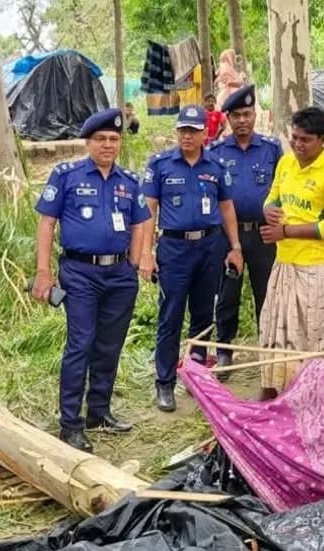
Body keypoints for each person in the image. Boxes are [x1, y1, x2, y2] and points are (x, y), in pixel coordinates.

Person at [33, 109, 148, 452]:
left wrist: (136, 261)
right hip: (80, 273)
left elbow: (142, 220)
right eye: (101, 139)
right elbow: (46, 223)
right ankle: (71, 422)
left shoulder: (128, 180)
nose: (108, 145)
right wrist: (43, 271)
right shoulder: (66, 175)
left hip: (119, 276)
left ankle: (99, 411)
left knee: (109, 345)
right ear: (89, 141)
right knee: (80, 344)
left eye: (114, 139)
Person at [141, 106, 244, 412]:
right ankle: (165, 382)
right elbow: (148, 210)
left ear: (205, 134)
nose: (186, 136)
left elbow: (226, 207)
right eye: (182, 130)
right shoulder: (161, 165)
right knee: (170, 316)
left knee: (203, 315)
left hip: (210, 247)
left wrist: (235, 247)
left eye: (193, 131)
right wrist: (146, 253)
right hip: (173, 249)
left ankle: (196, 374)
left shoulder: (216, 165)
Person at [257, 107, 324, 399]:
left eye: (305, 140)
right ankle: (275, 392)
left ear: (323, 140)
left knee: (314, 336)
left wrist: (285, 232)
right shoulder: (286, 164)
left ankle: (314, 398)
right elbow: (271, 200)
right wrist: (270, 213)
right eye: (295, 138)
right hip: (284, 263)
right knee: (276, 331)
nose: (298, 145)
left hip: (318, 267)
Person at [209, 86, 284, 372]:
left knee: (266, 291)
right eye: (236, 115)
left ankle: (269, 346)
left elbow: (282, 187)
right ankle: (225, 349)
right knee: (227, 292)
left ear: (256, 116)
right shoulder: (216, 151)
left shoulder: (271, 148)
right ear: (228, 118)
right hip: (229, 236)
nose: (242, 120)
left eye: (247, 114)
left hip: (264, 234)